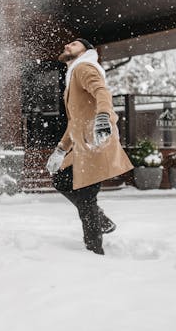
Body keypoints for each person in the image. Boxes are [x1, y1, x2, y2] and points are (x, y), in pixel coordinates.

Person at [46, 38, 133, 255]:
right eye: (67, 44)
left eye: (74, 44)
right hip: (83, 145)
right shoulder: (74, 74)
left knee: (86, 198)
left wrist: (103, 116)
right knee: (62, 179)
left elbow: (102, 92)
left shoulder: (84, 67)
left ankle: (94, 253)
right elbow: (75, 122)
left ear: (87, 51)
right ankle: (101, 221)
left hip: (95, 141)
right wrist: (60, 150)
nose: (67, 46)